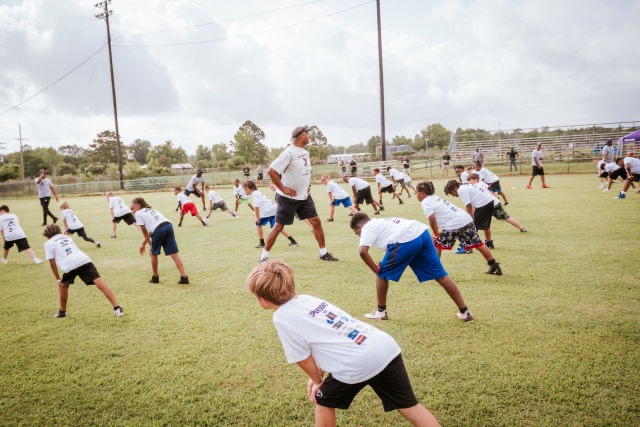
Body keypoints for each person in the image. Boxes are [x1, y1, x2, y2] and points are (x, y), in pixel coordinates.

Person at [247, 260, 441, 427]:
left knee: (323, 401)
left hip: (357, 361)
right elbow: (332, 334)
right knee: (409, 406)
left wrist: (317, 382)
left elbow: (302, 357)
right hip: (384, 346)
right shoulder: (307, 300)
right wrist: (320, 371)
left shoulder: (281, 317)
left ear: (262, 300)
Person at [350, 212, 473, 322]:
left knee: (381, 273)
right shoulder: (379, 221)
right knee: (441, 275)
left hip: (406, 239)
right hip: (421, 232)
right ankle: (465, 312)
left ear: (360, 227)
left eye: (357, 233)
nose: (359, 236)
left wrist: (375, 269)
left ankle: (381, 312)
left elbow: (362, 251)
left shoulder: (367, 227)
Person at [261, 125, 338, 263]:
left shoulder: (304, 152)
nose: (309, 136)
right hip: (287, 198)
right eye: (307, 134)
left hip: (304, 197)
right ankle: (263, 257)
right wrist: (283, 189)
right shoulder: (288, 153)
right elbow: (271, 171)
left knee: (316, 222)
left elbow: (306, 171)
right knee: (278, 226)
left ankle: (323, 253)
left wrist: (308, 186)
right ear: (301, 136)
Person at [415, 182, 501, 275]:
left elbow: (432, 218)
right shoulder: (434, 198)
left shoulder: (426, 202)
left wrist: (436, 233)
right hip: (465, 220)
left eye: (416, 193)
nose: (416, 195)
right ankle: (494, 266)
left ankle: (434, 270)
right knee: (478, 244)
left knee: (436, 243)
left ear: (421, 193)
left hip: (454, 224)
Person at [43, 224, 123, 318]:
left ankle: (62, 312)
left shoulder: (48, 244)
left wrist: (57, 278)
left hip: (70, 265)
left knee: (63, 287)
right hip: (84, 260)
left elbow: (52, 263)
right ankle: (117, 308)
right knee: (100, 284)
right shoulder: (66, 237)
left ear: (47, 235)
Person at [444, 179, 526, 250]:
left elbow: (468, 206)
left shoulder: (461, 190)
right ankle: (488, 243)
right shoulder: (466, 186)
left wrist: (470, 218)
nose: (453, 196)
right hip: (492, 201)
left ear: (454, 188)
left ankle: (468, 247)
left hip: (484, 204)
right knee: (492, 221)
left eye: (451, 193)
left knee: (473, 226)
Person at [130, 197, 189, 284]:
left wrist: (149, 245)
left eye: (132, 207)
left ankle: (155, 277)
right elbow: (151, 230)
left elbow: (145, 231)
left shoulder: (138, 213)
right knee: (174, 254)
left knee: (154, 254)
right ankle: (184, 277)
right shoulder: (150, 209)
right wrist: (146, 244)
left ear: (138, 205)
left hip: (159, 229)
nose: (132, 209)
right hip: (168, 225)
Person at [243, 181, 298, 249]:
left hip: (269, 212)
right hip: (272, 210)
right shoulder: (257, 192)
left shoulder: (255, 194)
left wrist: (257, 217)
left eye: (246, 190)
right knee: (277, 227)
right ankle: (293, 241)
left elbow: (256, 207)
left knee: (260, 223)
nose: (245, 192)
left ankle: (262, 243)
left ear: (251, 189)